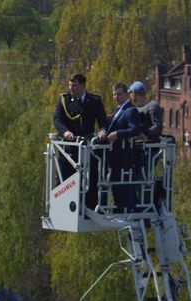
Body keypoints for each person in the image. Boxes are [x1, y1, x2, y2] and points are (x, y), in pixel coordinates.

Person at [53, 73, 108, 210]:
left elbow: (103, 121)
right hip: (70, 147)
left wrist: (103, 131)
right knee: (66, 179)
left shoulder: (94, 101)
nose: (71, 88)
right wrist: (65, 132)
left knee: (92, 178)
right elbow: (58, 120)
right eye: (70, 85)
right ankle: (64, 208)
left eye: (74, 85)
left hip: (88, 146)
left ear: (83, 85)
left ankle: (90, 208)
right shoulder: (64, 100)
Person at [101, 82, 141, 212]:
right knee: (116, 185)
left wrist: (117, 134)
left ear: (126, 95)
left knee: (123, 187)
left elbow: (135, 129)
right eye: (114, 94)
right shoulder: (120, 109)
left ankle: (128, 212)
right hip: (115, 155)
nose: (116, 97)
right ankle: (121, 211)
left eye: (119, 94)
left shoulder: (131, 110)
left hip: (123, 156)